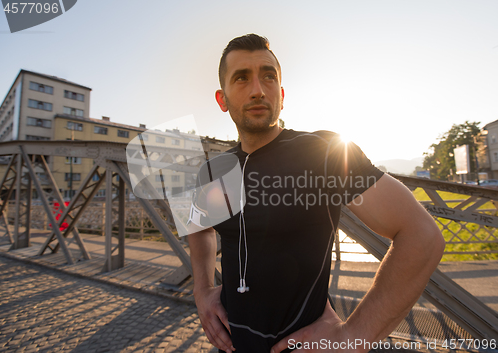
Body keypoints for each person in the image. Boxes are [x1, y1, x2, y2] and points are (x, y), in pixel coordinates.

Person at [187, 34, 445, 353]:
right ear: (222, 99)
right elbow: (199, 228)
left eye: (268, 76)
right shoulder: (214, 171)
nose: (257, 89)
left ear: (281, 95)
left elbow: (422, 236)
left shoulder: (322, 152)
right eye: (241, 78)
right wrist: (202, 289)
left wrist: (354, 336)